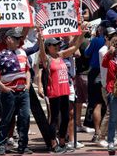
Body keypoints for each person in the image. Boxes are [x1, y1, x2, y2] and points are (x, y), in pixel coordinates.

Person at [37, 23, 88, 153]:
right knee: (54, 118)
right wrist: (40, 40)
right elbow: (42, 54)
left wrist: (82, 33)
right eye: (54, 45)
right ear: (49, 47)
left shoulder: (60, 55)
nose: (57, 46)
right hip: (54, 92)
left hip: (64, 90)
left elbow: (75, 47)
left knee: (65, 117)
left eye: (58, 44)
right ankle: (53, 144)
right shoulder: (47, 59)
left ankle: (62, 141)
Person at [0, 28, 32, 155]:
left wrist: (28, 84)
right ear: (8, 39)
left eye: (19, 38)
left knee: (25, 118)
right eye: (16, 38)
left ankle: (23, 145)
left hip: (23, 91)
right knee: (6, 119)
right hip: (9, 91)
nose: (18, 40)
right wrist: (2, 87)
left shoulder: (23, 53)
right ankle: (1, 145)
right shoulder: (1, 54)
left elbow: (27, 70)